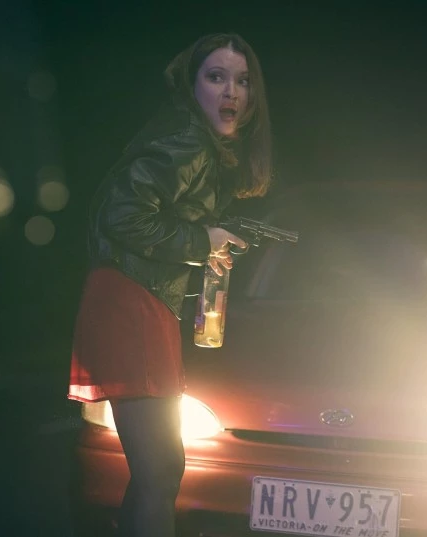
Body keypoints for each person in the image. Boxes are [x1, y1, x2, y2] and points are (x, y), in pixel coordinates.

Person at [68, 32, 273, 537]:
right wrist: (203, 239)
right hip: (130, 300)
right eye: (216, 77)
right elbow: (121, 215)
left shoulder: (193, 140)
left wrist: (209, 238)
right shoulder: (187, 139)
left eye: (242, 81)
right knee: (160, 470)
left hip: (141, 299)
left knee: (158, 471)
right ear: (191, 84)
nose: (231, 92)